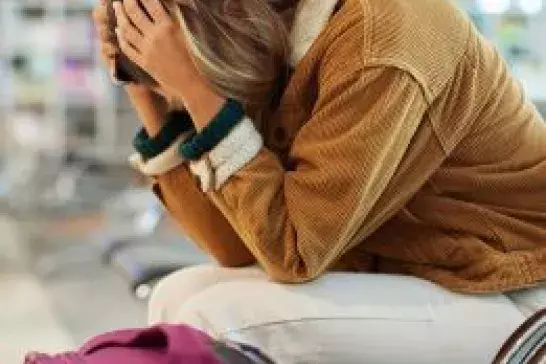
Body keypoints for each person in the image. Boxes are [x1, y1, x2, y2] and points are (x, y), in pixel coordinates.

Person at [93, 0, 546, 362]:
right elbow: (233, 247)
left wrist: (197, 90)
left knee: (219, 319)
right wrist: (141, 84)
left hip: (511, 294)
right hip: (412, 274)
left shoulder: (384, 35)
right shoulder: (275, 27)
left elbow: (292, 250)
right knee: (177, 295)